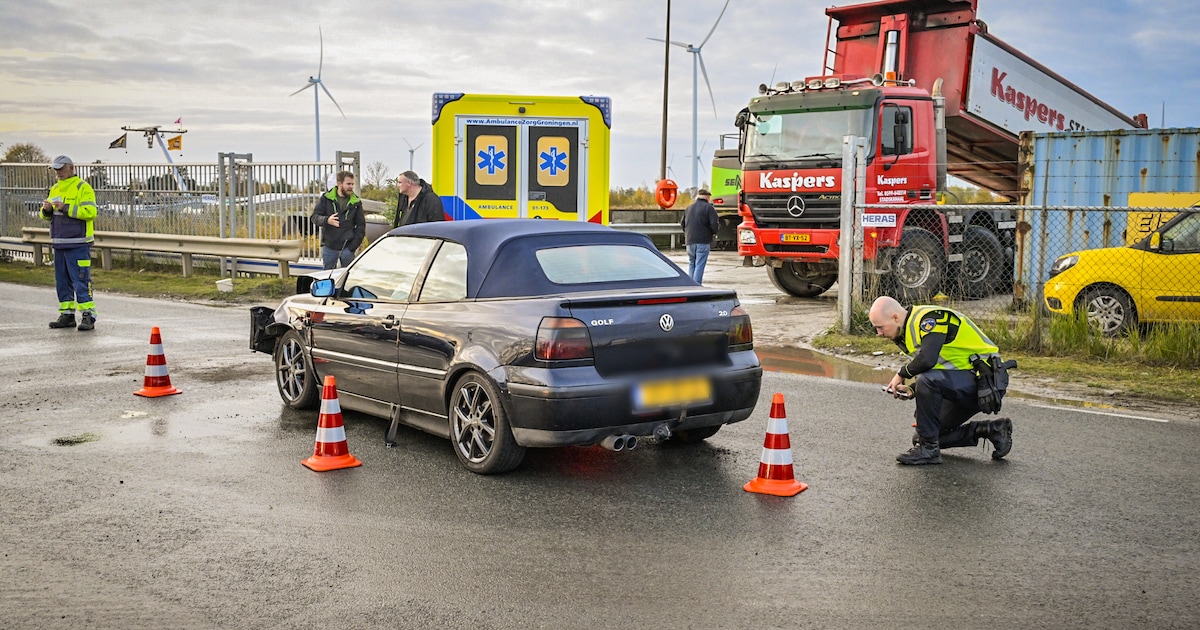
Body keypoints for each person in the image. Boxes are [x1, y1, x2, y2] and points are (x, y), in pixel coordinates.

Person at [868, 295, 1013, 465]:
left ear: (895, 317)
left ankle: (928, 451)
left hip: (988, 382)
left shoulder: (930, 319)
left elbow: (928, 360)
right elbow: (941, 367)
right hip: (965, 381)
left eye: (880, 327)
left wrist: (901, 374)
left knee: (927, 386)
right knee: (924, 435)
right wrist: (913, 389)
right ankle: (991, 429)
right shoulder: (906, 331)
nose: (878, 333)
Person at [41, 155, 98, 331]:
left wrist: (64, 207)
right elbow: (46, 217)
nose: (58, 172)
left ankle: (88, 316)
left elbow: (90, 212)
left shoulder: (83, 187)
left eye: (61, 168)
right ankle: (67, 315)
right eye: (56, 169)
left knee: (81, 281)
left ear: (71, 168)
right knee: (62, 282)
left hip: (78, 243)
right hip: (59, 243)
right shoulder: (55, 188)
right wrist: (46, 210)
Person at [310, 171, 366, 269]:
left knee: (346, 278)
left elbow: (361, 226)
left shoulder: (356, 202)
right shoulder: (326, 198)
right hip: (329, 246)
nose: (351, 187)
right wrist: (327, 220)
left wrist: (352, 247)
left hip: (347, 247)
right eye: (348, 184)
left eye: (352, 184)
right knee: (327, 277)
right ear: (340, 184)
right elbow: (314, 217)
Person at [680, 188, 719, 284]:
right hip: (703, 241)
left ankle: (691, 285)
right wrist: (714, 233)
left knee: (692, 263)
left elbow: (682, 223)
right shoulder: (709, 208)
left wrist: (687, 234)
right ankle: (697, 286)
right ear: (707, 197)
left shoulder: (689, 208)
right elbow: (714, 224)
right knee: (699, 265)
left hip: (689, 241)